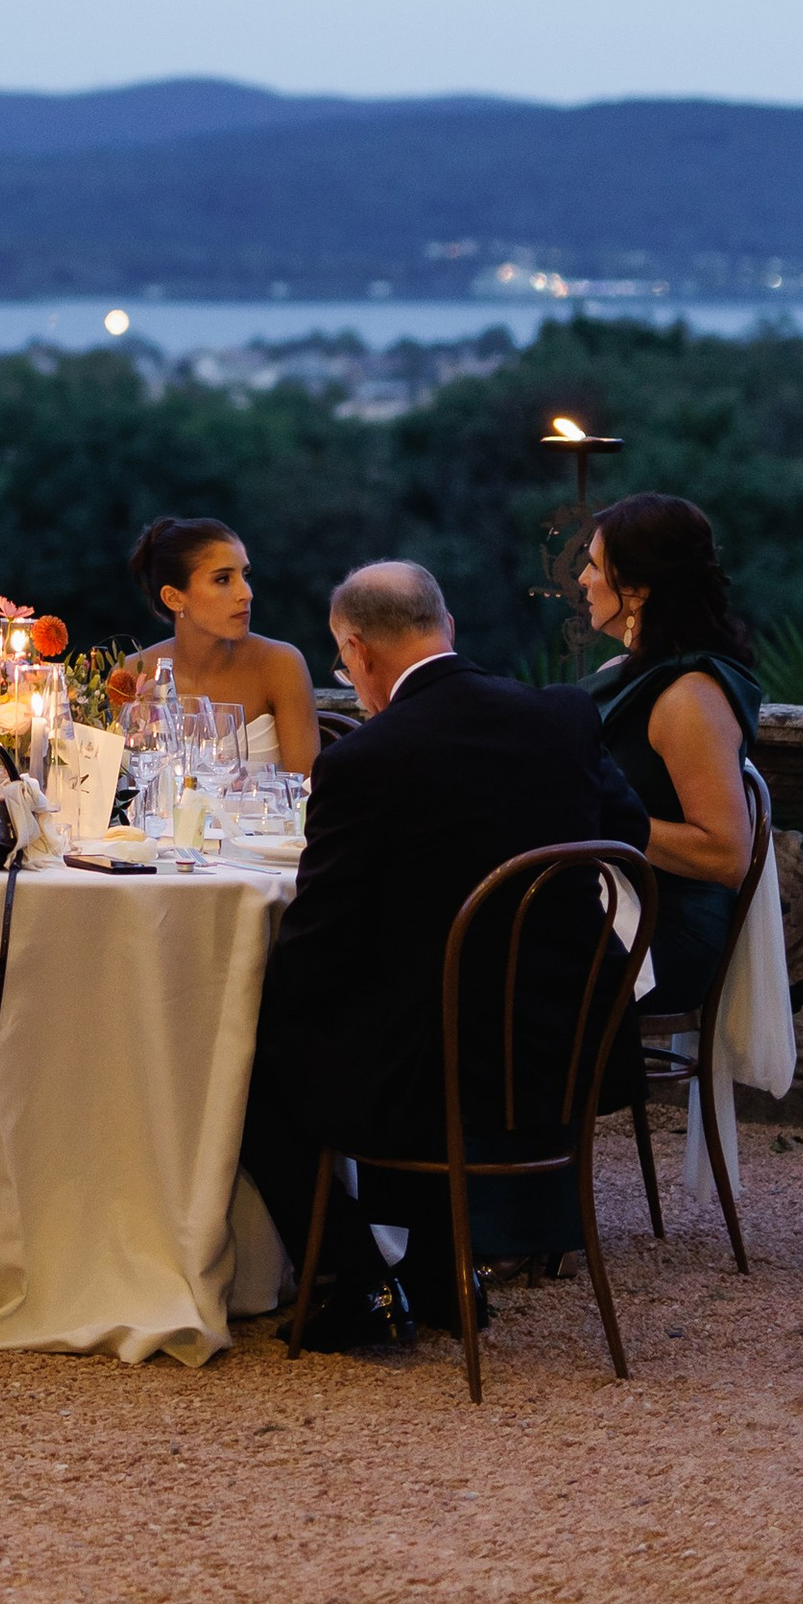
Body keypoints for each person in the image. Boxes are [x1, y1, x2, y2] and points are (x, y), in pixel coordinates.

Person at [239, 558, 650, 1353]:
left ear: (355, 652)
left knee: (259, 1068)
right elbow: (624, 837)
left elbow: (319, 944)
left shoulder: (364, 760)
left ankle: (355, 1280)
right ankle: (436, 1275)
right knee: (405, 1010)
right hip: (564, 1042)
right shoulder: (561, 716)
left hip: (442, 1066)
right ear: (447, 627)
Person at [577, 493, 762, 1015]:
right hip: (607, 903)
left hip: (662, 936)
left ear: (636, 589)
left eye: (594, 567)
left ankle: (555, 1095)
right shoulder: (628, 671)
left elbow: (727, 856)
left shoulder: (689, 697)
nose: (583, 582)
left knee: (488, 965)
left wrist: (599, 815)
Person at [113, 514, 320, 774]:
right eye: (223, 579)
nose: (246, 594)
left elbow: (307, 790)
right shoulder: (132, 675)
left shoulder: (280, 665)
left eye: (245, 575)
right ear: (174, 598)